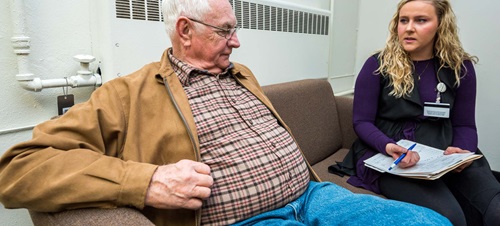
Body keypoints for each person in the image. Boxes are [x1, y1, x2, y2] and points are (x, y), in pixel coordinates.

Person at [0, 0, 452, 225]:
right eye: (226, 31)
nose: (237, 42)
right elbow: (17, 169)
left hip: (317, 197)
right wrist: (146, 181)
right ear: (185, 30)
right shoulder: (127, 93)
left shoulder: (242, 73)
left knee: (432, 223)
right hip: (252, 220)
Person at [329, 0, 500, 225]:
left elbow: (465, 125)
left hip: (444, 151)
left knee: (495, 210)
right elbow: (361, 121)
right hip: (391, 152)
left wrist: (462, 153)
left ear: (441, 25)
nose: (409, 28)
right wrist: (389, 146)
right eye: (403, 20)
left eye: (421, 20)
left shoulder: (460, 67)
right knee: (451, 218)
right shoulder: (377, 65)